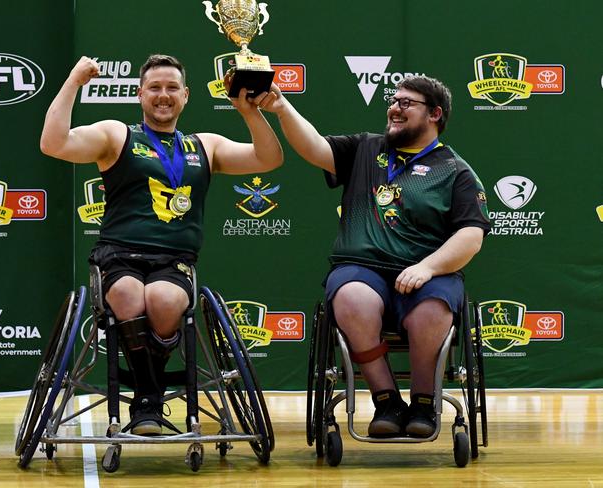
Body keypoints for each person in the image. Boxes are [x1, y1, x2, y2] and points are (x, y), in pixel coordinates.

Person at [40, 55, 283, 435]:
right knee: (126, 293)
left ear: (186, 96)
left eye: (172, 88)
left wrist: (248, 111)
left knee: (165, 301)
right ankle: (148, 398)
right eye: (154, 87)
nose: (163, 95)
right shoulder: (116, 135)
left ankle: (146, 396)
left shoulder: (206, 144)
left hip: (174, 261)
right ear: (140, 95)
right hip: (119, 255)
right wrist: (73, 81)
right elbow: (53, 144)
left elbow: (268, 159)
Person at [256, 75, 490, 437]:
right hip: (361, 269)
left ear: (435, 114)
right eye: (393, 101)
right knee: (351, 298)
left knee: (431, 312)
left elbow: (471, 236)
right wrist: (282, 108)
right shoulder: (365, 148)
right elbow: (314, 147)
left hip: (429, 275)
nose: (394, 108)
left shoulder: (455, 171)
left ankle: (424, 404)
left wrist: (427, 267)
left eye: (406, 103)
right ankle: (386, 401)